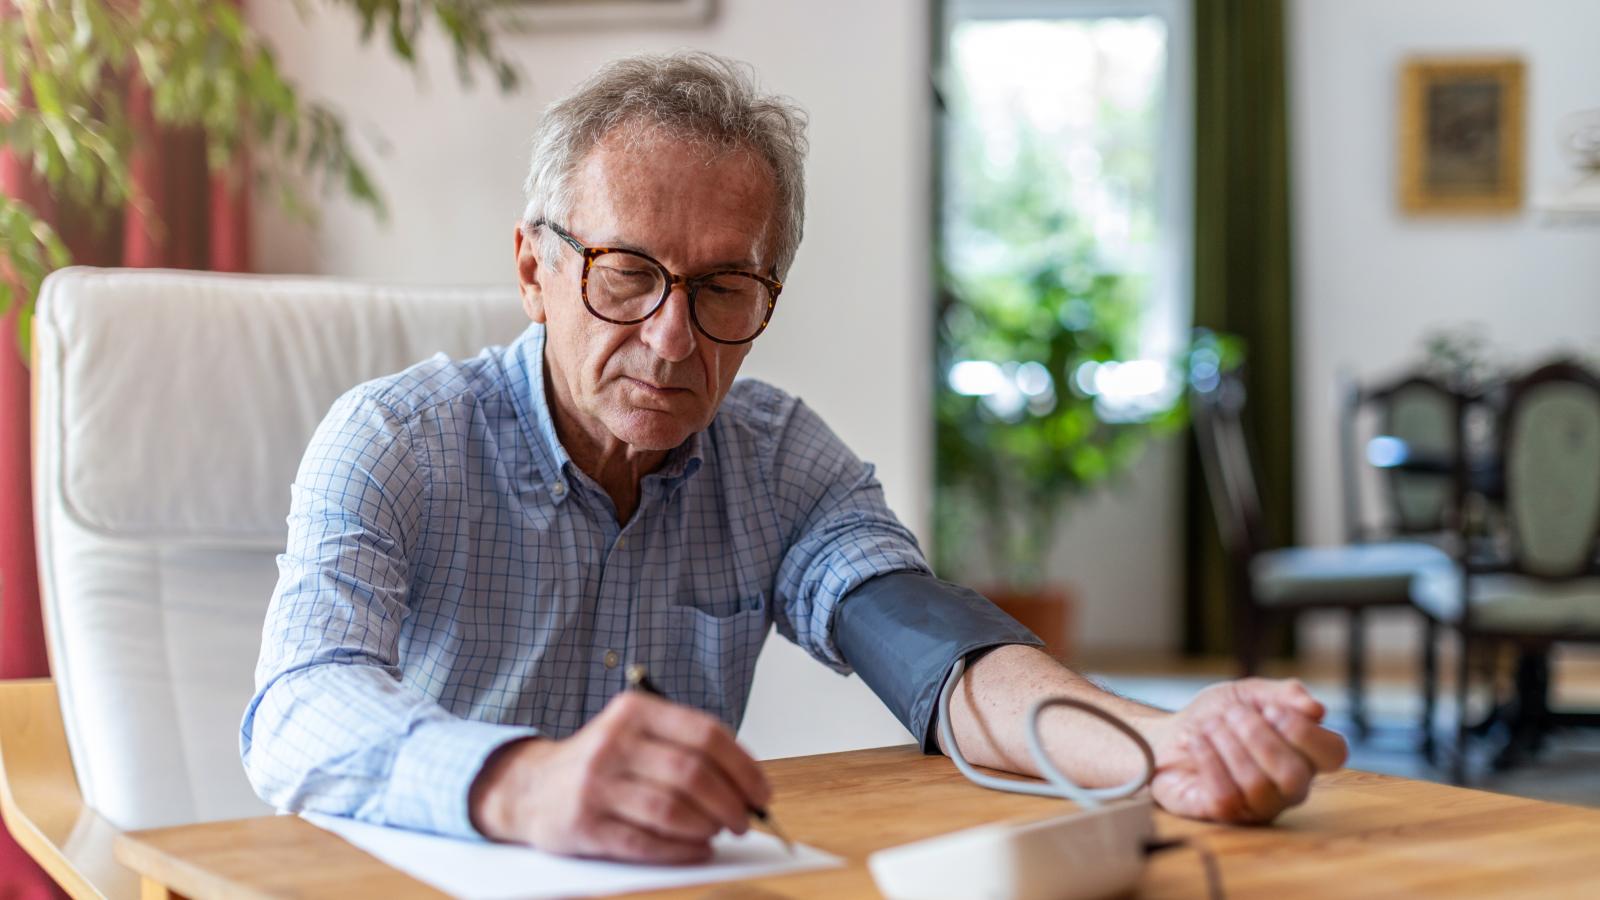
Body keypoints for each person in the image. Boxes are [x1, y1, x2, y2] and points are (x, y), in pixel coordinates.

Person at [241, 50, 1346, 864]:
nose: (672, 339)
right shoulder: (393, 441)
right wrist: (524, 784)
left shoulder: (772, 460)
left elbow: (938, 656)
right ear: (534, 268)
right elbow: (299, 706)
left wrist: (1163, 745)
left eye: (723, 287)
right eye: (626, 274)